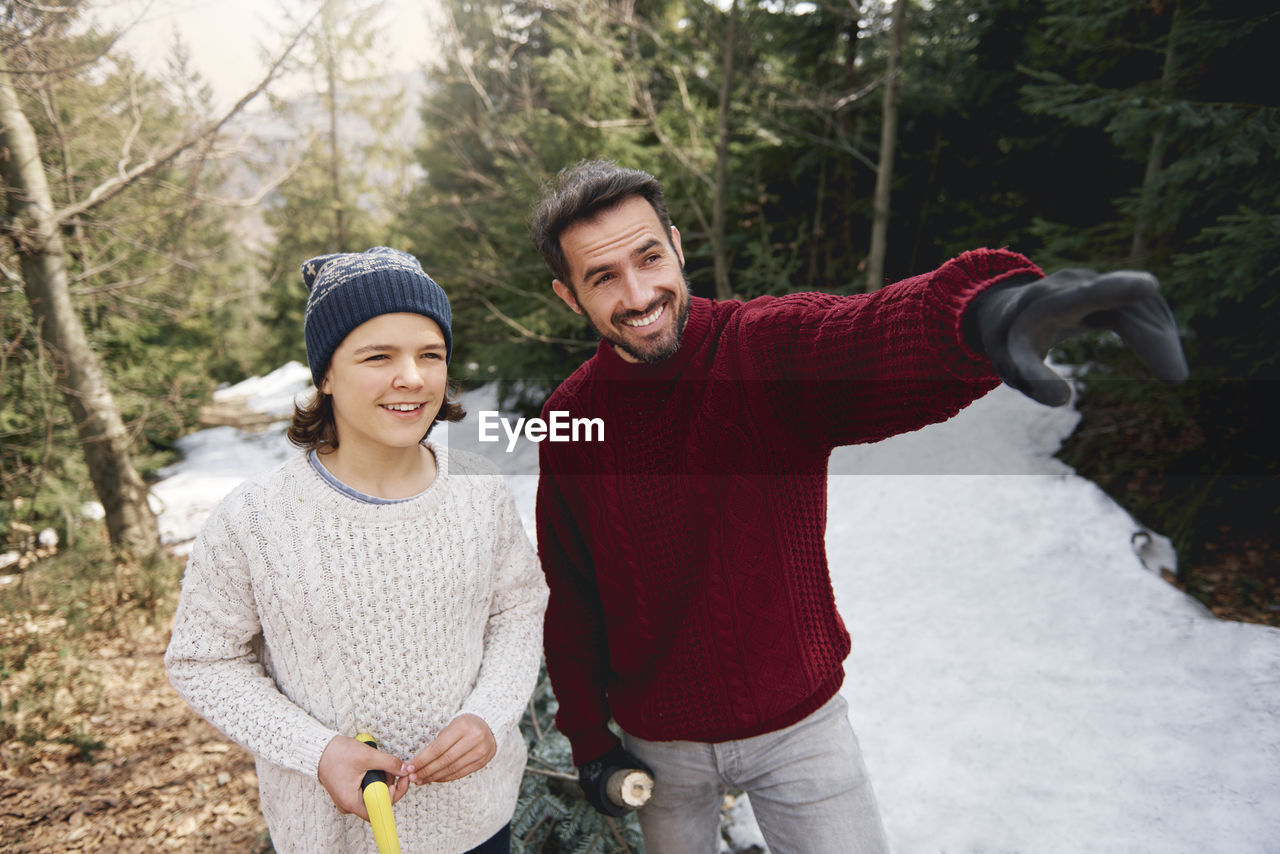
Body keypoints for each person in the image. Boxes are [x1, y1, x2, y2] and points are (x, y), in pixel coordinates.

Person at [528, 161, 1188, 853]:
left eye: (649, 257)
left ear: (678, 246)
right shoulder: (570, 418)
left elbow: (869, 333)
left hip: (798, 728)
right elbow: (571, 596)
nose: (639, 294)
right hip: (659, 745)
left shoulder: (759, 349)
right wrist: (589, 741)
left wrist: (994, 314)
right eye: (603, 277)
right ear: (570, 296)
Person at [166, 247, 549, 853]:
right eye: (378, 357)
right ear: (325, 375)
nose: (412, 377)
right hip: (335, 838)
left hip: (478, 825)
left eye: (431, 355)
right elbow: (201, 660)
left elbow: (518, 611)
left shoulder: (478, 488)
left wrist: (490, 715)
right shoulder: (255, 519)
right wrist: (316, 751)